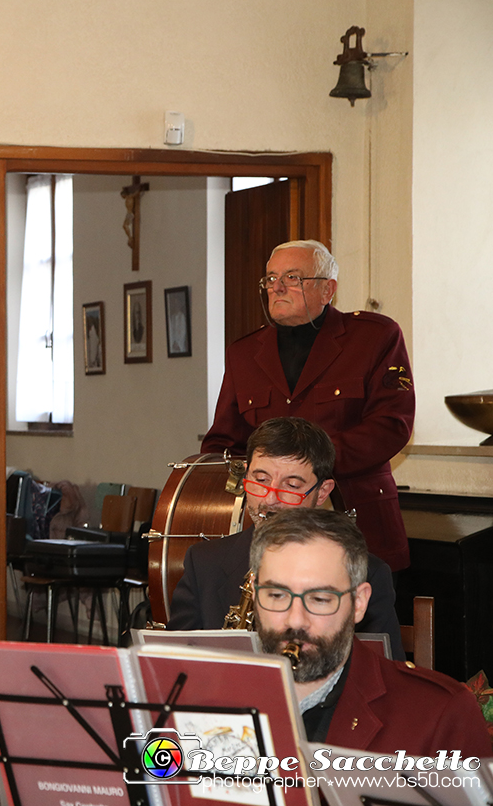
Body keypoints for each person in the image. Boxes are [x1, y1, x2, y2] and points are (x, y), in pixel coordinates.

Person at [203, 240, 415, 570]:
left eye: (292, 277)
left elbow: (392, 425)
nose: (277, 287)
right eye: (271, 278)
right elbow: (222, 441)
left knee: (363, 621)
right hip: (268, 535)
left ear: (327, 290)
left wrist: (309, 465)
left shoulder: (373, 338)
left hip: (358, 521)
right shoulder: (243, 353)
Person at [250, 509, 490, 755]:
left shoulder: (441, 714)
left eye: (320, 599)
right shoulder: (213, 693)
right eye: (277, 596)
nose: (295, 620)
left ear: (359, 603)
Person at [169, 417, 403, 658]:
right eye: (260, 480)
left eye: (291, 485)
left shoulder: (368, 573)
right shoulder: (204, 563)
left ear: (322, 492)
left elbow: (383, 675)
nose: (270, 499)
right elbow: (175, 669)